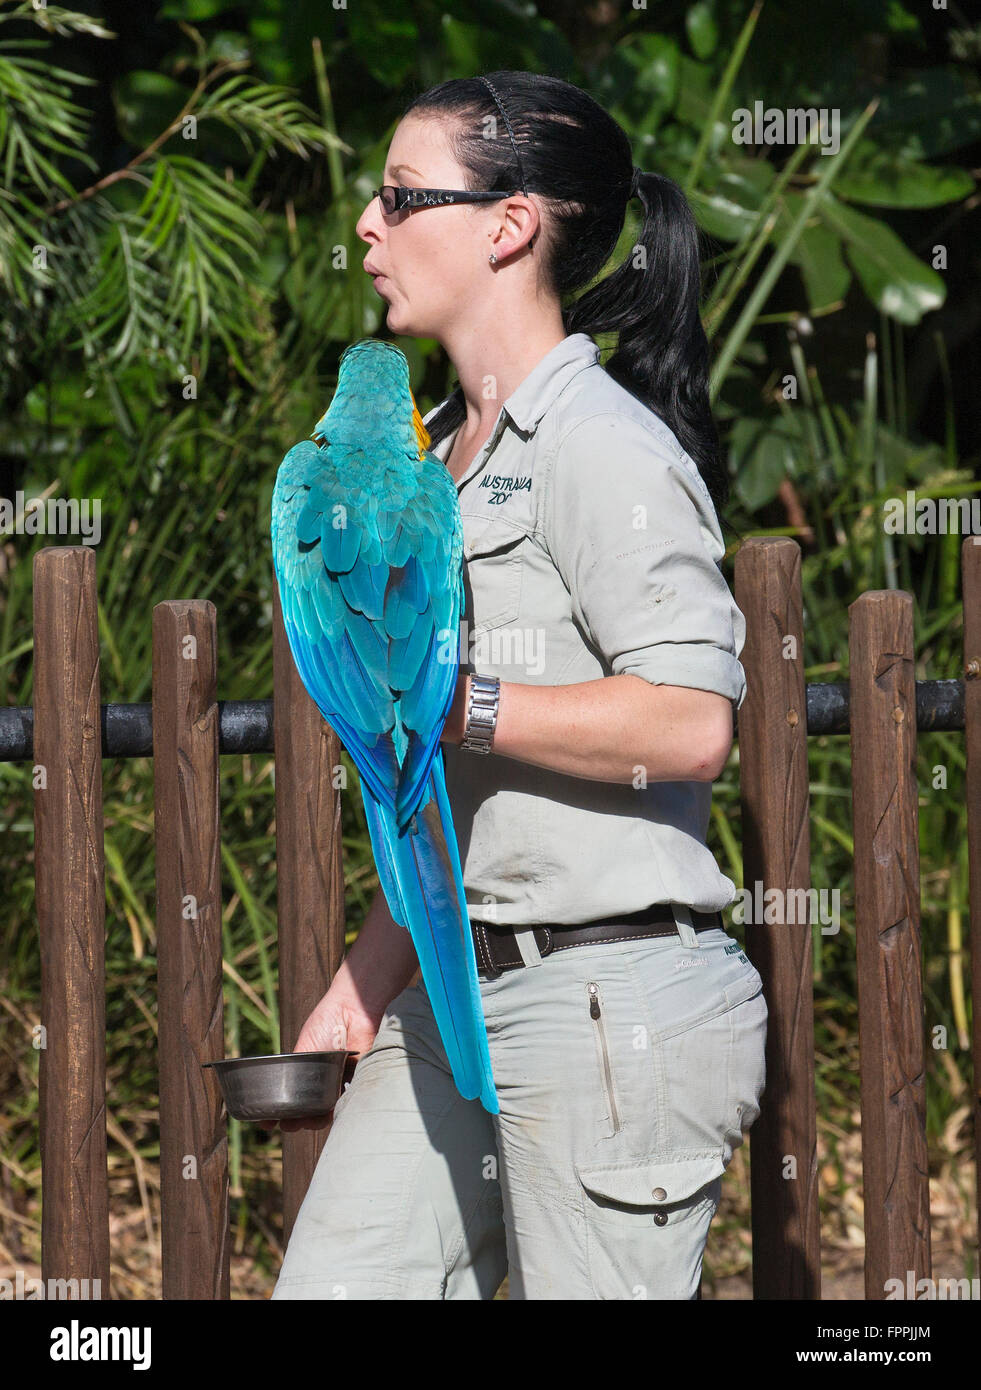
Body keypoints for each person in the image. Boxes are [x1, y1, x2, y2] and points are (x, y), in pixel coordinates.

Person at [267, 70, 767, 1301]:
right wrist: (358, 986)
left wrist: (458, 701)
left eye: (398, 197)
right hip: (456, 998)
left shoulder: (604, 444)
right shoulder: (432, 451)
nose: (366, 228)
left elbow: (694, 724)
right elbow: (442, 789)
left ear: (509, 225)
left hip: (614, 1010)